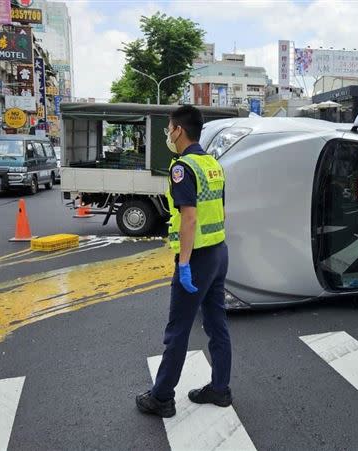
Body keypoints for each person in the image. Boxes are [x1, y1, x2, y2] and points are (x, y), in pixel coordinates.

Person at [136, 105, 231, 418]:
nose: (168, 133)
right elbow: (218, 208)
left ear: (178, 130)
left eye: (169, 128)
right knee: (217, 324)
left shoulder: (183, 168)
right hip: (219, 252)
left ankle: (162, 397)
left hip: (199, 258)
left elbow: (189, 218)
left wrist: (186, 263)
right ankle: (220, 389)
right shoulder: (213, 165)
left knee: (177, 330)